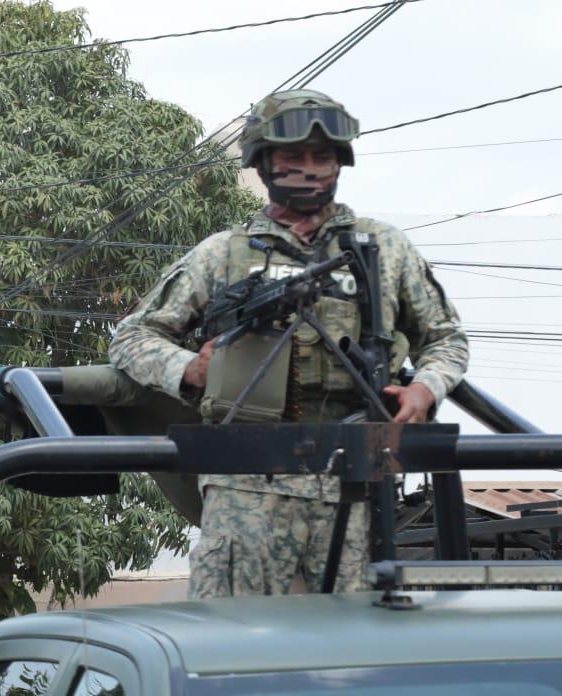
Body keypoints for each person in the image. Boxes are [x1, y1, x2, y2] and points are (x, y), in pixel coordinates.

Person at [108, 89, 468, 598]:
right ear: (264, 163)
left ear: (340, 162)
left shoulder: (383, 249)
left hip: (359, 473)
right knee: (233, 639)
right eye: (293, 157)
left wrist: (425, 390)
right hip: (247, 474)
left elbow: (447, 337)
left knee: (358, 645)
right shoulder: (224, 254)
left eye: (322, 157)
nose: (310, 169)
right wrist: (190, 368)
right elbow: (132, 337)